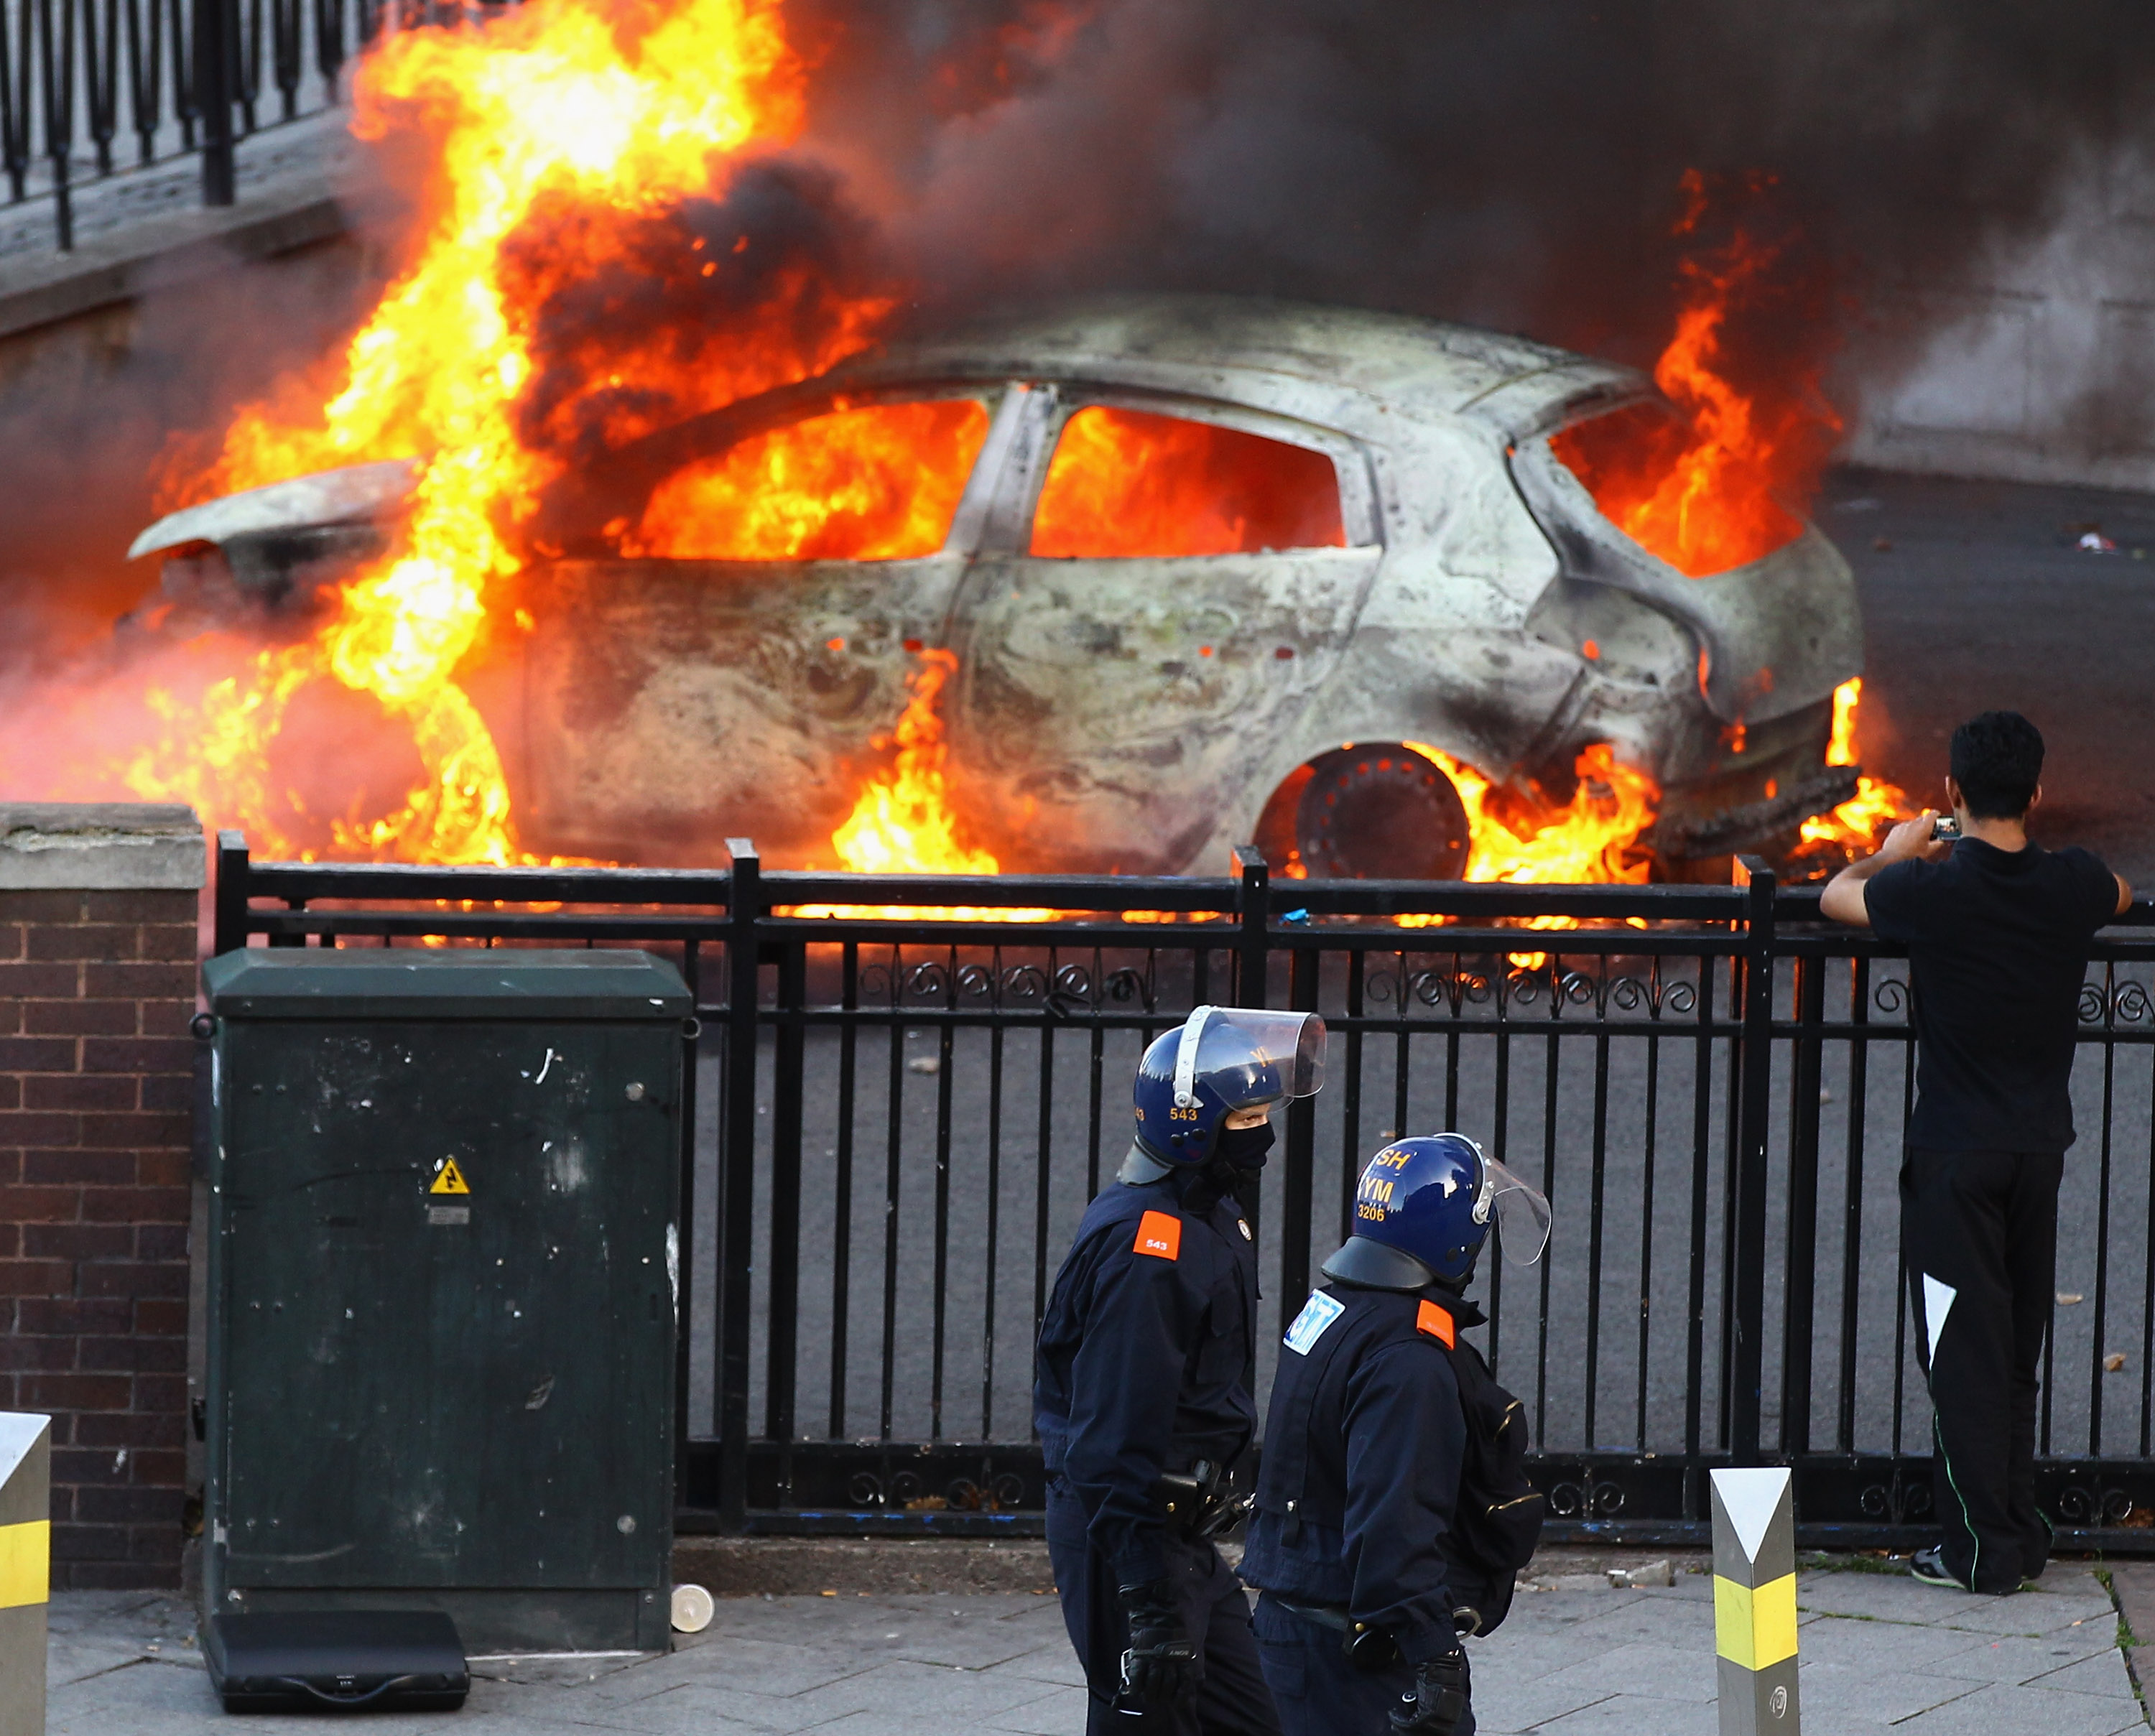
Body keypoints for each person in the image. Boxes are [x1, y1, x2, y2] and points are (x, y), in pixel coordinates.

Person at [1820, 710, 2132, 1594]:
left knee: (1961, 1353)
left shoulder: (1932, 890)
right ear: (2036, 792)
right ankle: (2016, 1528)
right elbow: (2114, 890)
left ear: (1953, 793)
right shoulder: (2070, 882)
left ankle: (1980, 1551)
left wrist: (1895, 850)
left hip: (1955, 1155)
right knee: (2015, 1349)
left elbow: (1835, 897)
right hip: (2038, 1152)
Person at [1035, 1005, 1327, 1734]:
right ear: (1192, 1123)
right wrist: (1150, 1600)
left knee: (1247, 1716)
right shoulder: (1149, 1249)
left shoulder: (1202, 1211)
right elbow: (1110, 1441)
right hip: (1129, 1534)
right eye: (1246, 1117)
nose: (1263, 1133)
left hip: (1175, 1531)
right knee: (1148, 1714)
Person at [1241, 1133, 1549, 1736]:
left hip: (1293, 1628)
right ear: (1454, 1241)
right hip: (1355, 1662)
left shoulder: (1333, 1310)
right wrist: (1435, 1652)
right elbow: (1393, 1525)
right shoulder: (1412, 1358)